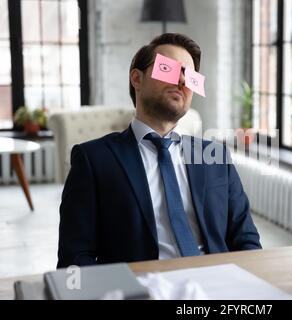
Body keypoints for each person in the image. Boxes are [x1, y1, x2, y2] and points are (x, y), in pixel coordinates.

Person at [57, 33, 261, 268]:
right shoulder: (93, 159)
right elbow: (74, 258)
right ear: (137, 78)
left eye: (190, 76)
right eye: (169, 69)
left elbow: (246, 239)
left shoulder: (215, 156)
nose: (182, 81)